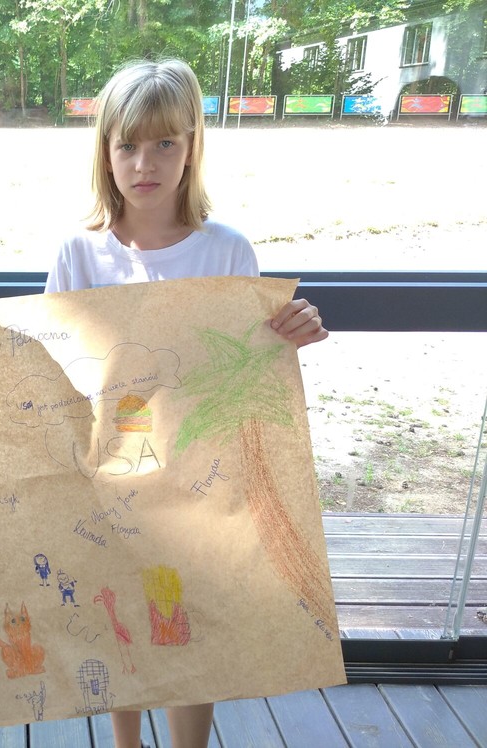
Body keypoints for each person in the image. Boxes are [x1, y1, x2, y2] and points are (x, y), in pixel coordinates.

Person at [44, 58, 329, 748]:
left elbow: (246, 368)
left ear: (192, 147)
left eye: (165, 143)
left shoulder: (225, 251)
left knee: (188, 621)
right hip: (108, 474)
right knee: (121, 617)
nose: (145, 163)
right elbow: (53, 361)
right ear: (105, 152)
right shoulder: (79, 252)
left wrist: (289, 332)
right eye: (128, 145)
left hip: (200, 477)